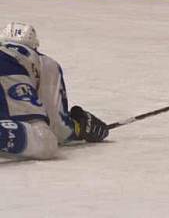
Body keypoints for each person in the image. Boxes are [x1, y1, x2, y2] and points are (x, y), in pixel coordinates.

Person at [0, 22, 110, 160]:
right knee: (45, 141)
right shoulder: (43, 61)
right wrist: (79, 127)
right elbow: (58, 128)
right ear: (34, 45)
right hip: (8, 69)